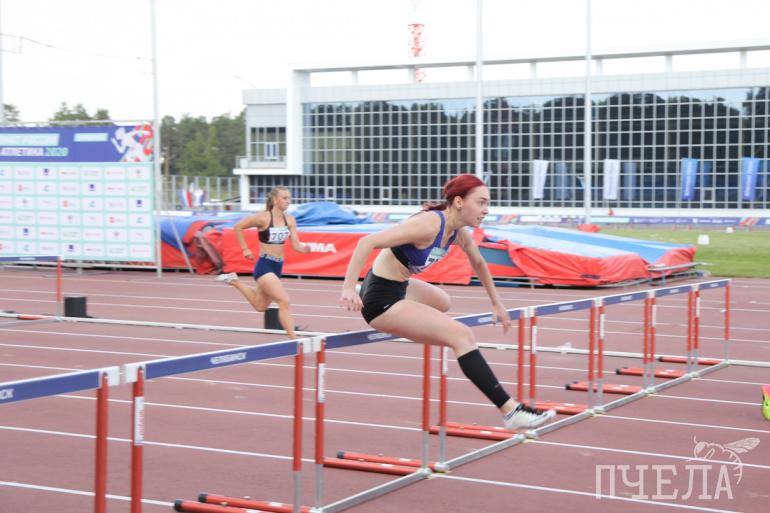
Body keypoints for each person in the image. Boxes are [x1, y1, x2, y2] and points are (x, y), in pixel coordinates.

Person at [339, 174, 555, 430]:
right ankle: (510, 411)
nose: (487, 210)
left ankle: (383, 301)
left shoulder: (457, 231)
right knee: (461, 335)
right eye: (481, 202)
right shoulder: (428, 225)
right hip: (381, 300)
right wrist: (347, 288)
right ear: (459, 202)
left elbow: (478, 262)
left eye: (488, 203)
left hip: (398, 286)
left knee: (443, 302)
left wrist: (497, 303)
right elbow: (367, 242)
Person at [217, 187, 310, 339]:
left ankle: (235, 281)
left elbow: (295, 245)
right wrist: (245, 249)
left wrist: (304, 249)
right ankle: (294, 340)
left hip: (277, 266)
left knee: (260, 306)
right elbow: (238, 227)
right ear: (275, 200)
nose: (288, 201)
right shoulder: (263, 218)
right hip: (265, 265)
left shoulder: (290, 220)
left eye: (289, 198)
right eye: (285, 198)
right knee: (284, 301)